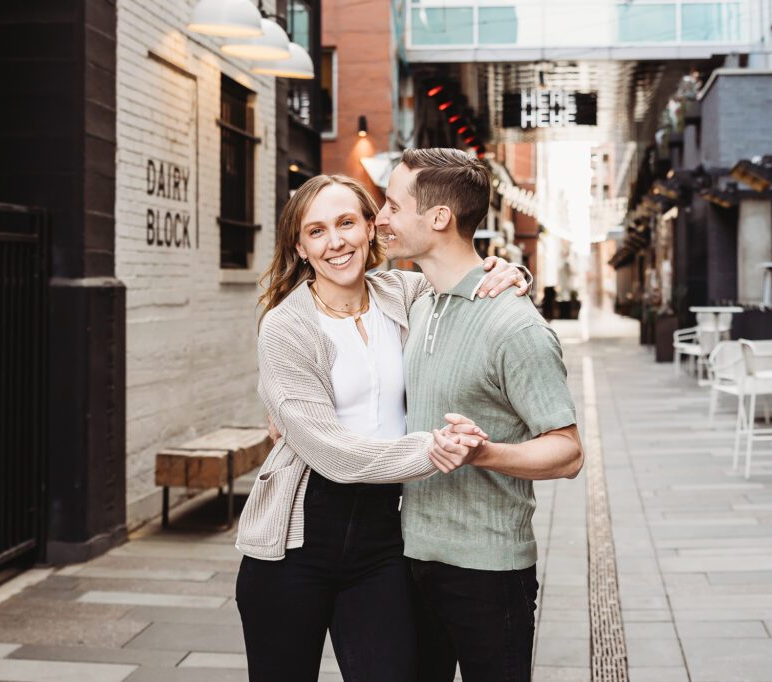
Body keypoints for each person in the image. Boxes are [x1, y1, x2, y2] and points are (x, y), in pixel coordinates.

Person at [234, 173, 530, 682]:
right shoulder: (285, 326)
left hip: (384, 539)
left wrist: (510, 271)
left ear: (370, 228)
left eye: (347, 223)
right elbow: (331, 452)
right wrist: (431, 450)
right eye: (317, 231)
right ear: (300, 247)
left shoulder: (405, 293)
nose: (336, 242)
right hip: (297, 538)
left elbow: (464, 279)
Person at [375, 148, 585, 682]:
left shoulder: (517, 327)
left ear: (439, 218)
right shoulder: (420, 302)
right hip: (410, 558)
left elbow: (567, 452)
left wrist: (484, 453)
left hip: (489, 573)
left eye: (393, 206)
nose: (380, 218)